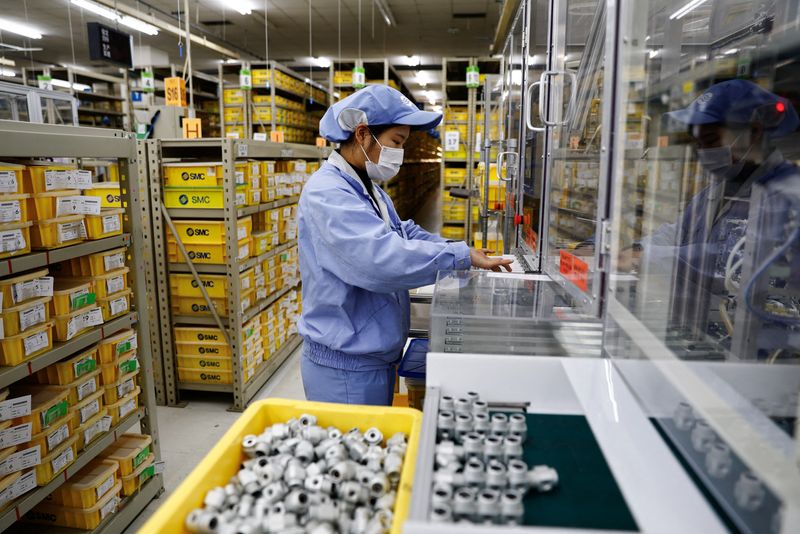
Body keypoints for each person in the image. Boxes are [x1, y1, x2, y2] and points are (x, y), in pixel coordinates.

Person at [297, 85, 512, 405]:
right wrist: (458, 257)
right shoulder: (328, 193)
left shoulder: (367, 187)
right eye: (397, 142)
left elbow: (404, 233)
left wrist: (463, 250)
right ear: (362, 134)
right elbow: (379, 260)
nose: (401, 153)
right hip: (344, 368)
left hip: (370, 358)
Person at [629, 80, 800, 357]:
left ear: (753, 133)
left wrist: (646, 257)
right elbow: (679, 231)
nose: (702, 153)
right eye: (698, 143)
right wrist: (634, 249)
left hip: (761, 358)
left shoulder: (787, 194)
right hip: (703, 343)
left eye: (710, 141)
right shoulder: (719, 188)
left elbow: (727, 263)